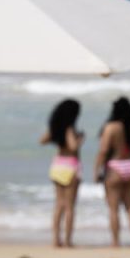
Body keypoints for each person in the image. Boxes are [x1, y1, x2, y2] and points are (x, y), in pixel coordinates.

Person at [96, 96, 130, 247]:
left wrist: (97, 170)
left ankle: (115, 242)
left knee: (113, 208)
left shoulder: (111, 127)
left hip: (115, 166)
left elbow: (103, 150)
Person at [40, 98, 83, 248]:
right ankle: (68, 241)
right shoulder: (69, 128)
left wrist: (55, 136)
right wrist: (79, 141)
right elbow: (72, 147)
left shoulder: (55, 127)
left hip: (57, 165)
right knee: (70, 206)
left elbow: (43, 140)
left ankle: (55, 239)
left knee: (59, 204)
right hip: (70, 166)